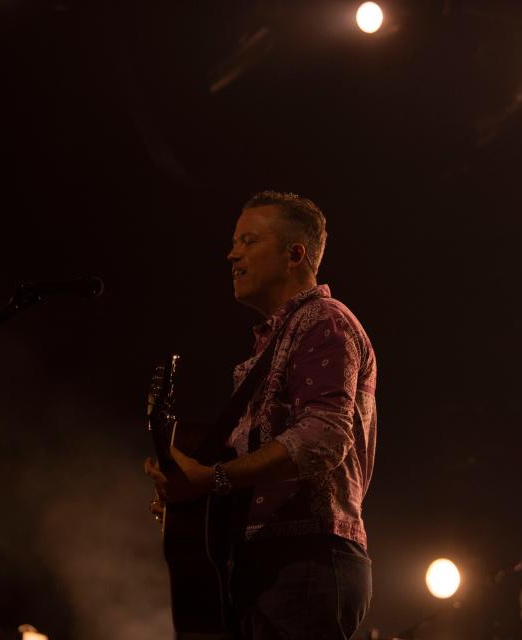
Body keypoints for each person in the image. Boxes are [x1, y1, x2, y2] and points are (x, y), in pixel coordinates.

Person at [144, 191, 377, 639]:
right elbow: (251, 466)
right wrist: (192, 495)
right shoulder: (270, 346)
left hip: (306, 557)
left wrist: (211, 479)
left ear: (295, 254)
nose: (232, 254)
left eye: (248, 241)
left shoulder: (323, 322)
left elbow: (324, 437)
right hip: (271, 563)